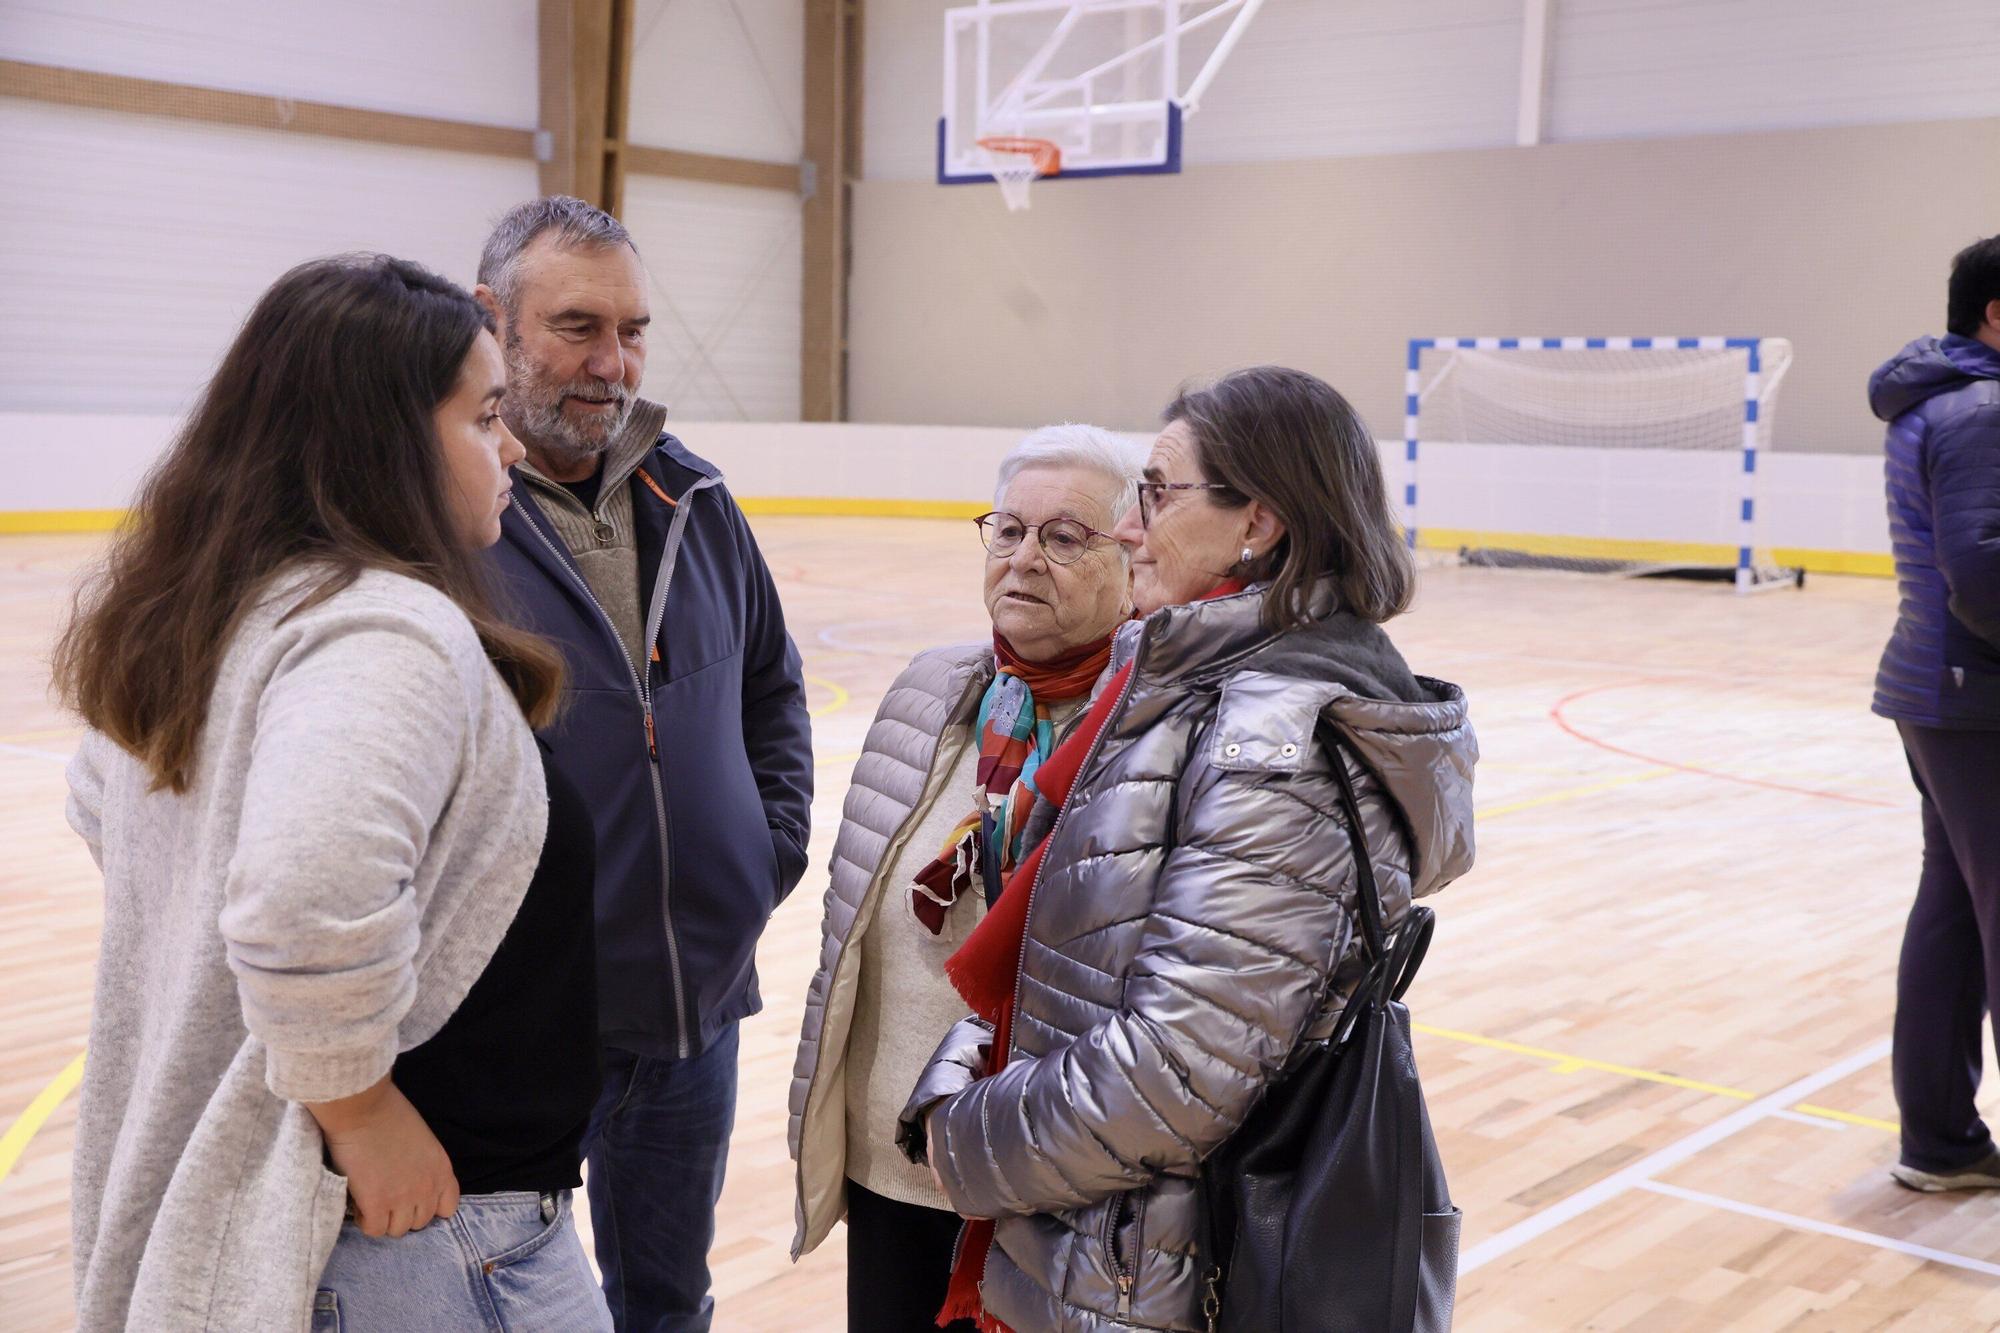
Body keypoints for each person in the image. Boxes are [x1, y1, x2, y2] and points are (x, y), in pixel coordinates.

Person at [55, 254, 610, 1330]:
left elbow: (105, 810)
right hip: (428, 1239)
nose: (509, 448)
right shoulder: (379, 630)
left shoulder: (214, 613)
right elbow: (303, 890)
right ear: (386, 438)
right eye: (483, 415)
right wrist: (357, 1108)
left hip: (379, 1230)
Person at [896, 366, 1477, 1332]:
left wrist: (968, 1132)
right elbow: (1093, 966)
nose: (1129, 526)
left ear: (1260, 521)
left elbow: (1177, 1070)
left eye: (1158, 493)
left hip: (1155, 1276)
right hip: (1115, 1241)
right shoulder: (1192, 684)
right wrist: (979, 1060)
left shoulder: (1270, 750)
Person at [475, 196, 814, 1330]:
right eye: (576, 326)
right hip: (525, 1019)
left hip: (692, 1010)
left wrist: (761, 855)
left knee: (668, 1303)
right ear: (494, 323)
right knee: (511, 1305)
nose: (610, 363)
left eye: (631, 331)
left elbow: (770, 683)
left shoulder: (696, 494)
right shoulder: (447, 522)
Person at [788, 424, 1144, 1331]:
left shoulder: (1150, 729)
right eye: (1007, 530)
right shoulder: (930, 687)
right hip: (894, 1162)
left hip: (1052, 1177)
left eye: (1065, 537)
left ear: (1133, 561)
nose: (1025, 558)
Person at [1871, 233, 2000, 1192]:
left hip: (1944, 692)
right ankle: (1939, 1139)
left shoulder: (1944, 401)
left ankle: (1941, 1142)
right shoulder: (1985, 408)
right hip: (1976, 698)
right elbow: (1985, 570)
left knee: (1955, 912)